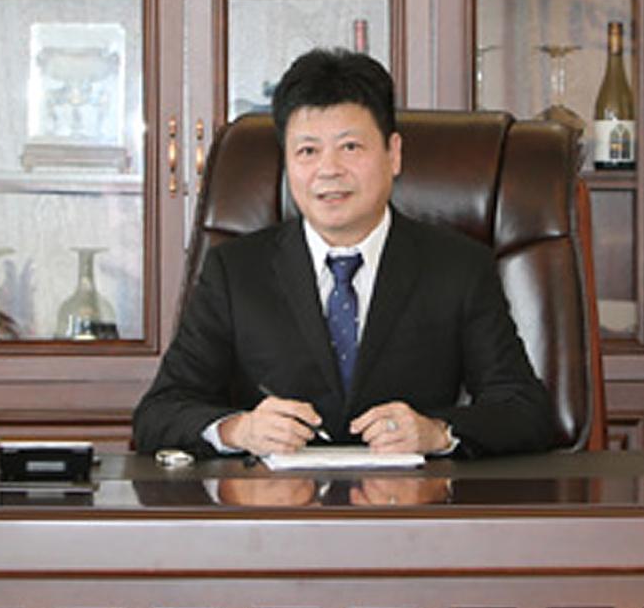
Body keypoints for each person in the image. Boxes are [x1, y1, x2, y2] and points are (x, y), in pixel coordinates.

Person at [133, 48, 556, 459]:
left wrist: (438, 432)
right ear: (287, 162)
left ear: (393, 154)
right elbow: (158, 414)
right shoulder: (236, 271)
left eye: (350, 147)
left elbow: (525, 410)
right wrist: (239, 429)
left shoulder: (458, 267)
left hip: (409, 503)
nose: (329, 169)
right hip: (278, 503)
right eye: (307, 151)